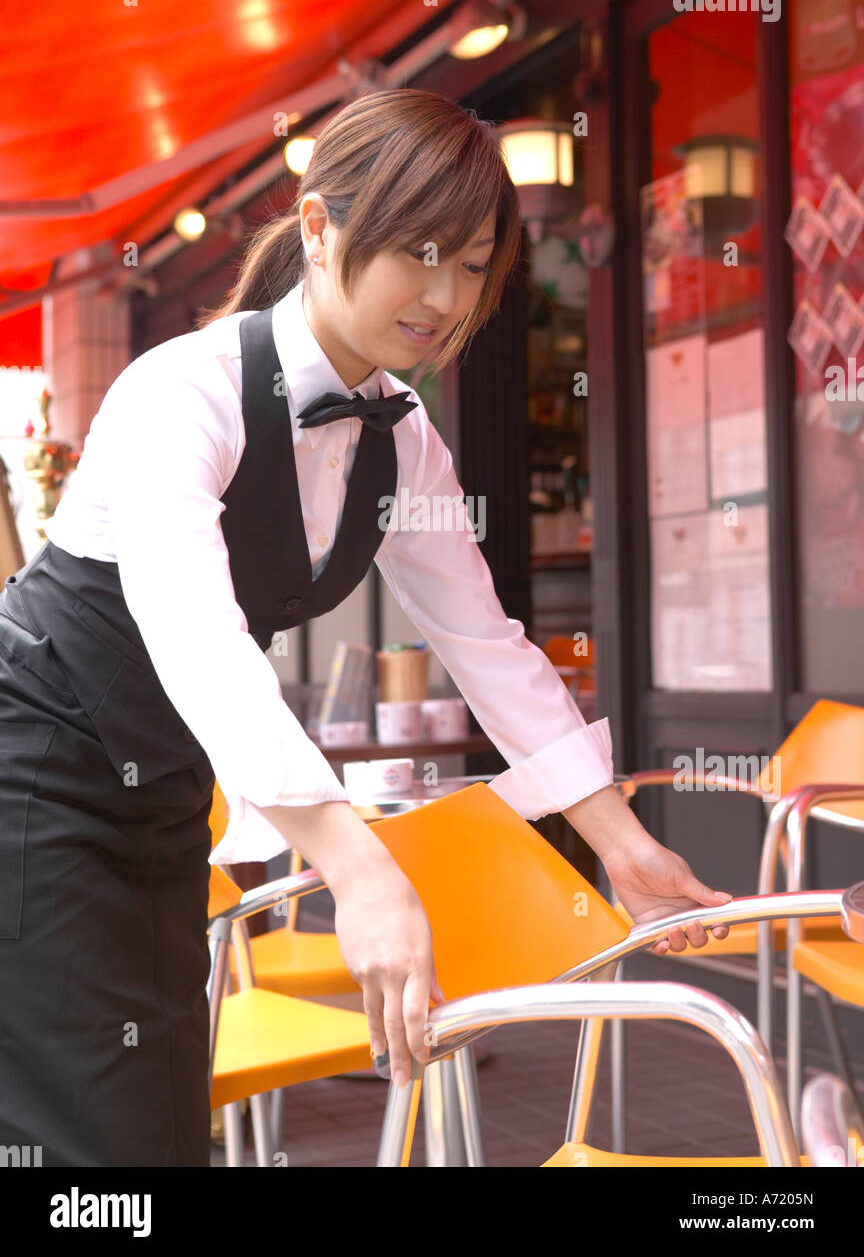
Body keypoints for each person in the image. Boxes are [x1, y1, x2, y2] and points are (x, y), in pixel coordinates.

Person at [0, 89, 730, 1167]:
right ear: (317, 226)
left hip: (157, 800)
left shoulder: (405, 440)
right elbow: (197, 634)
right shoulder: (179, 393)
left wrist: (619, 841)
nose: (445, 295)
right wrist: (357, 863)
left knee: (157, 1128)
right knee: (87, 1146)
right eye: (419, 251)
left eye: (475, 265)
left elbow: (487, 646)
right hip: (36, 778)